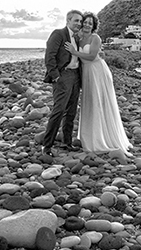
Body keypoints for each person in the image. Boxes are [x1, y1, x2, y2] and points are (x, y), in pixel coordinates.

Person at [65, 12, 132, 161]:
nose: (87, 25)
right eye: (85, 22)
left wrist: (74, 52)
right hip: (87, 73)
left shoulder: (96, 38)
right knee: (90, 102)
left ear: (94, 25)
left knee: (100, 101)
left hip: (98, 71)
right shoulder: (79, 38)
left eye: (90, 23)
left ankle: (104, 138)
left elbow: (92, 56)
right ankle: (90, 137)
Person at [42, 10, 83, 155]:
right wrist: (56, 76)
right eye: (76, 20)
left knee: (71, 111)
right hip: (63, 75)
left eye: (80, 21)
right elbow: (49, 56)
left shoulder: (77, 38)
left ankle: (67, 142)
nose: (79, 23)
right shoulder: (58, 34)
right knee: (59, 110)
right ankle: (47, 146)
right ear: (68, 21)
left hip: (75, 76)